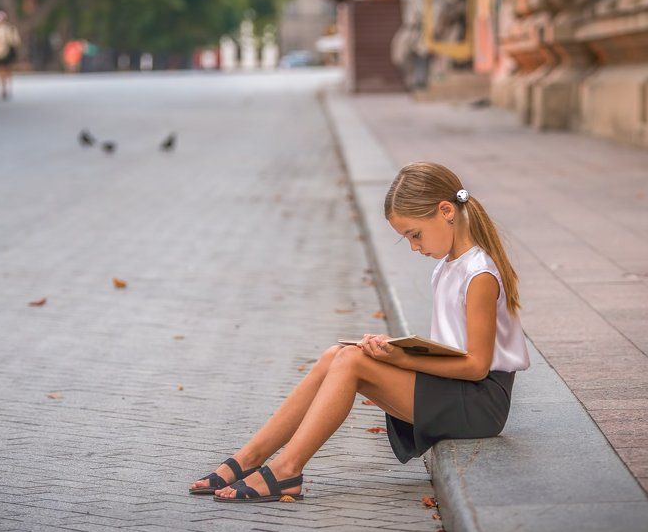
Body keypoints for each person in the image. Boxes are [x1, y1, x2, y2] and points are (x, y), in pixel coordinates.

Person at [191, 162, 531, 502]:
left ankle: (287, 469)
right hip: (455, 390)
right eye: (407, 239)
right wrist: (395, 352)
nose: (415, 247)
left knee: (352, 362)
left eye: (415, 234)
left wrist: (402, 359)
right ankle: (249, 458)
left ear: (446, 211)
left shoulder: (479, 275)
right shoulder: (448, 266)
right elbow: (453, 347)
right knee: (336, 354)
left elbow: (476, 367)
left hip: (481, 404)